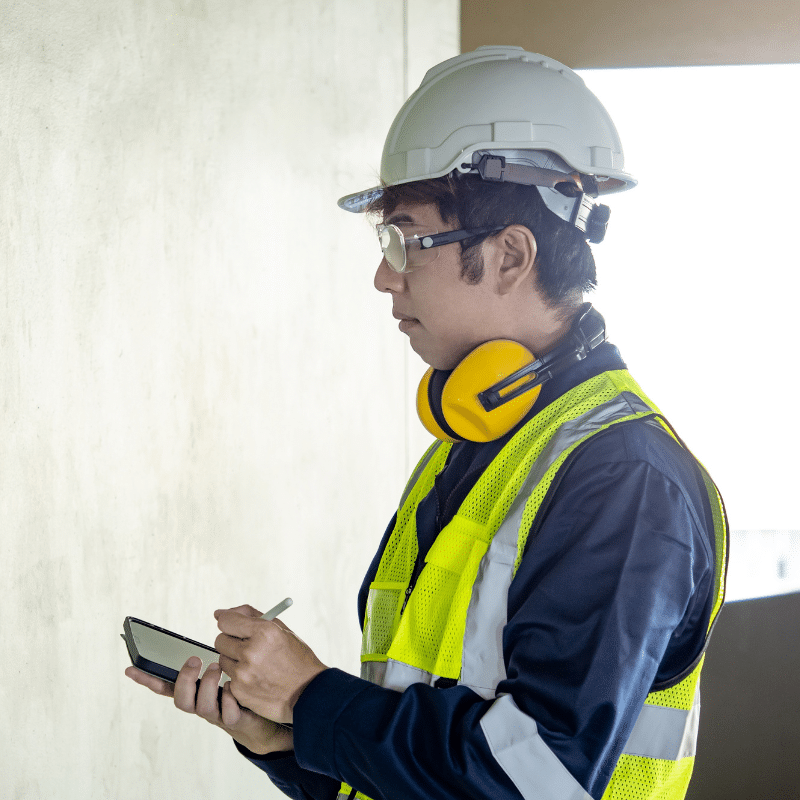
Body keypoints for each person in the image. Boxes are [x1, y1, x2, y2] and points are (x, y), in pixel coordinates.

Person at [126, 46, 728, 800]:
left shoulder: (625, 480)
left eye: (405, 240)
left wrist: (313, 699)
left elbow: (533, 782)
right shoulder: (472, 449)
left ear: (510, 255)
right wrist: (289, 740)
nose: (384, 275)